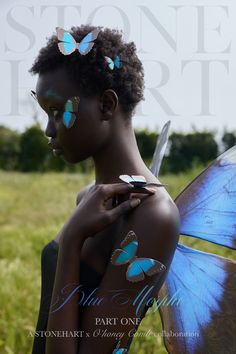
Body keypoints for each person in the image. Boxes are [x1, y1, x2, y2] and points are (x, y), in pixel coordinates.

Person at [29, 25, 179, 354]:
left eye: (57, 111)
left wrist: (71, 242)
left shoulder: (154, 215)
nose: (48, 130)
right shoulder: (90, 199)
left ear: (107, 105)